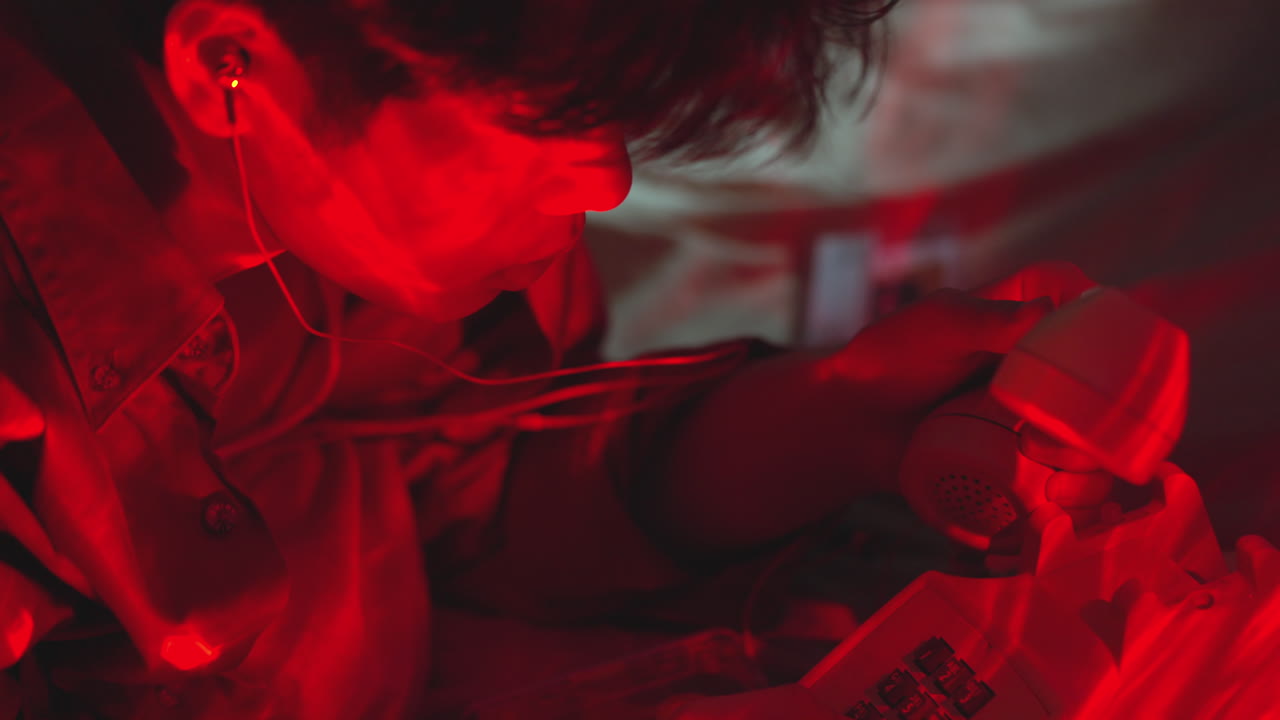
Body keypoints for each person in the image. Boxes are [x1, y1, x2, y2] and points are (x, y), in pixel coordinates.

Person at [0, 0, 1094, 717]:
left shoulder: (373, 256)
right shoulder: (28, 402)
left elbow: (493, 484)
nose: (607, 184)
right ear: (228, 63)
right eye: (553, 122)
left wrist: (848, 412)